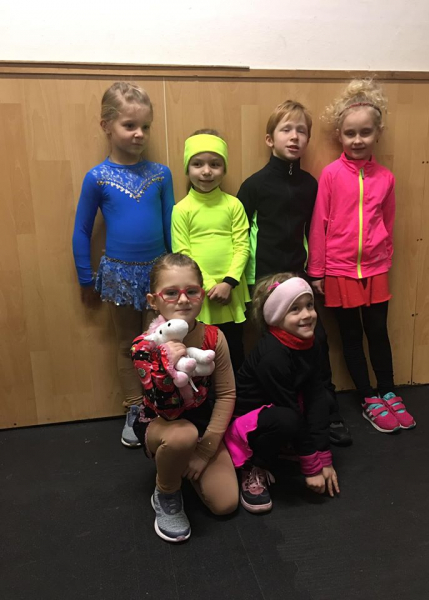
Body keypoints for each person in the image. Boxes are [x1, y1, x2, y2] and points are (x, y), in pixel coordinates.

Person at [237, 100, 351, 446]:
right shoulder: (254, 185)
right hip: (263, 282)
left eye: (301, 131)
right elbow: (238, 235)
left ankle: (328, 411)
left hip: (298, 278)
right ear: (269, 139)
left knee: (317, 341)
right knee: (271, 351)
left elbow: (316, 231)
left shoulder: (310, 185)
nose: (294, 136)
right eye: (286, 129)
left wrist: (315, 274)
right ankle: (278, 415)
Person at [308, 79, 416, 434]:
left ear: (377, 134)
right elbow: (319, 224)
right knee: (351, 337)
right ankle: (369, 397)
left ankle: (389, 391)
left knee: (378, 332)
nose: (357, 140)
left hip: (375, 269)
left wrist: (384, 257)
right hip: (339, 270)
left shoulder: (386, 178)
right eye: (350, 133)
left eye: (365, 132)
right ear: (340, 135)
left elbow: (388, 221)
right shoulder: (330, 175)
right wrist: (318, 272)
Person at [72, 82, 174, 448]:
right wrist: (86, 278)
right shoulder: (97, 177)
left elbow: (170, 225)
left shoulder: (161, 174)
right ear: (106, 126)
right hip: (118, 276)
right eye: (129, 125)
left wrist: (179, 273)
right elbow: (82, 230)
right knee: (127, 344)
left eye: (145, 126)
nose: (139, 133)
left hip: (160, 273)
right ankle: (135, 406)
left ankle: (161, 404)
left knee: (160, 343)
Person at [131, 253, 238, 542]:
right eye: (171, 292)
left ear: (202, 295)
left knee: (226, 503)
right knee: (182, 437)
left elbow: (227, 394)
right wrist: (165, 364)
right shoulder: (145, 345)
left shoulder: (214, 338)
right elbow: (160, 400)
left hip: (200, 421)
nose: (182, 300)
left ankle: (181, 460)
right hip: (162, 422)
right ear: (153, 301)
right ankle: (166, 490)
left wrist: (205, 452)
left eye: (192, 291)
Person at [224, 274, 339, 514]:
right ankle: (253, 465)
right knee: (288, 419)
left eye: (309, 305)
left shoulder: (309, 341)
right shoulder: (272, 354)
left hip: (277, 410)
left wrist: (324, 457)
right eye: (294, 309)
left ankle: (284, 447)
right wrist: (311, 467)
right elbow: (290, 409)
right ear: (277, 316)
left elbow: (316, 394)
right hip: (245, 425)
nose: (307, 315)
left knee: (324, 400)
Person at [171, 129, 250, 373]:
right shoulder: (181, 209)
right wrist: (207, 285)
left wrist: (228, 283)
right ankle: (205, 394)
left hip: (230, 291)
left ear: (224, 169)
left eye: (215, 164)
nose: (206, 171)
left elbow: (242, 246)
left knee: (234, 347)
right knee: (200, 350)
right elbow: (182, 252)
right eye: (198, 164)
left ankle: (237, 393)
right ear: (187, 168)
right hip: (199, 293)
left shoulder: (233, 204)